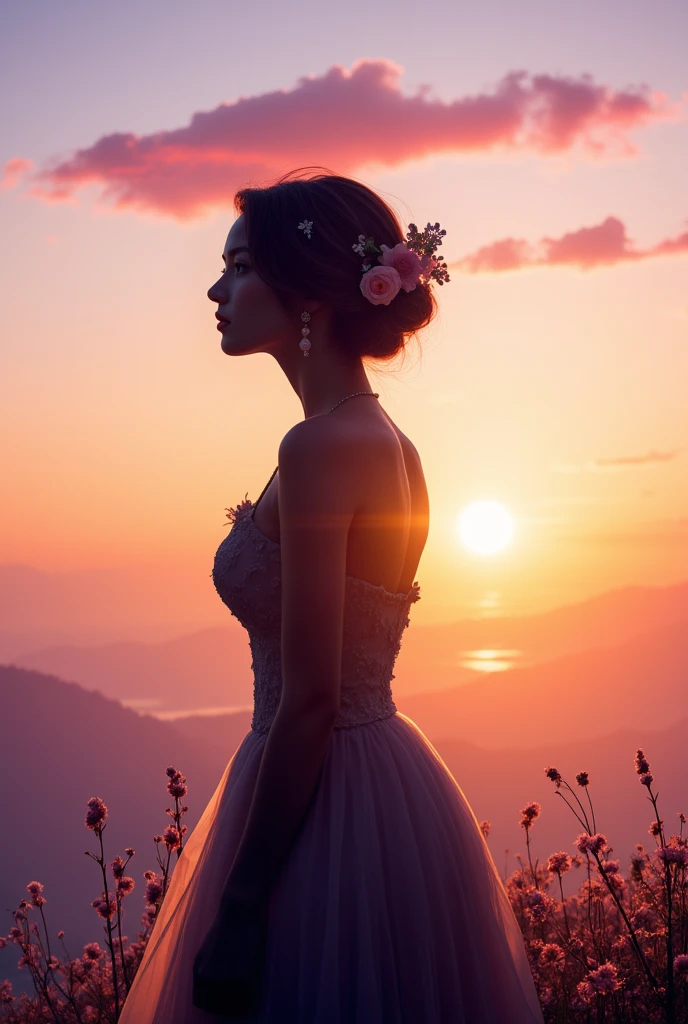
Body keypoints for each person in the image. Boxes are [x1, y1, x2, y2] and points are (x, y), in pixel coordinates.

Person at [118, 167, 545, 1022]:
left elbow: (310, 701)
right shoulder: (391, 442)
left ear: (309, 292)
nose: (216, 288)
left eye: (239, 266)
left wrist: (240, 906)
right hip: (381, 789)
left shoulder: (319, 447)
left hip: (319, 802)